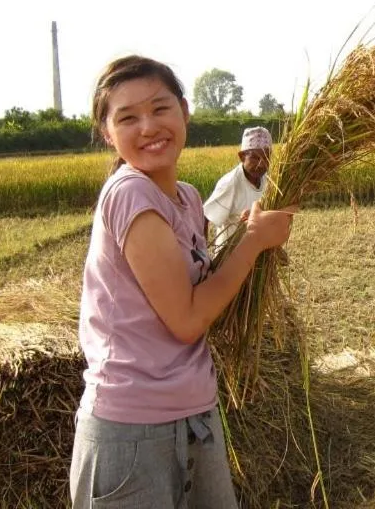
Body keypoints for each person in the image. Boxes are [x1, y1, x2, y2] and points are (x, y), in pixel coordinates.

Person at [69, 56, 296, 508]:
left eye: (160, 108)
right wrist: (251, 243)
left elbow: (206, 290)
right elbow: (188, 319)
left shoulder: (188, 198)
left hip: (194, 415)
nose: (149, 126)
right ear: (107, 133)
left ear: (185, 112)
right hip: (131, 434)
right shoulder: (130, 192)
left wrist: (257, 251)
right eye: (128, 117)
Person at [203, 127, 272, 250]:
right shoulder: (230, 183)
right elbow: (205, 216)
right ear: (242, 156)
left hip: (257, 253)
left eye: (266, 157)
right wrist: (201, 251)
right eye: (255, 157)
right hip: (230, 255)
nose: (261, 164)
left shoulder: (268, 180)